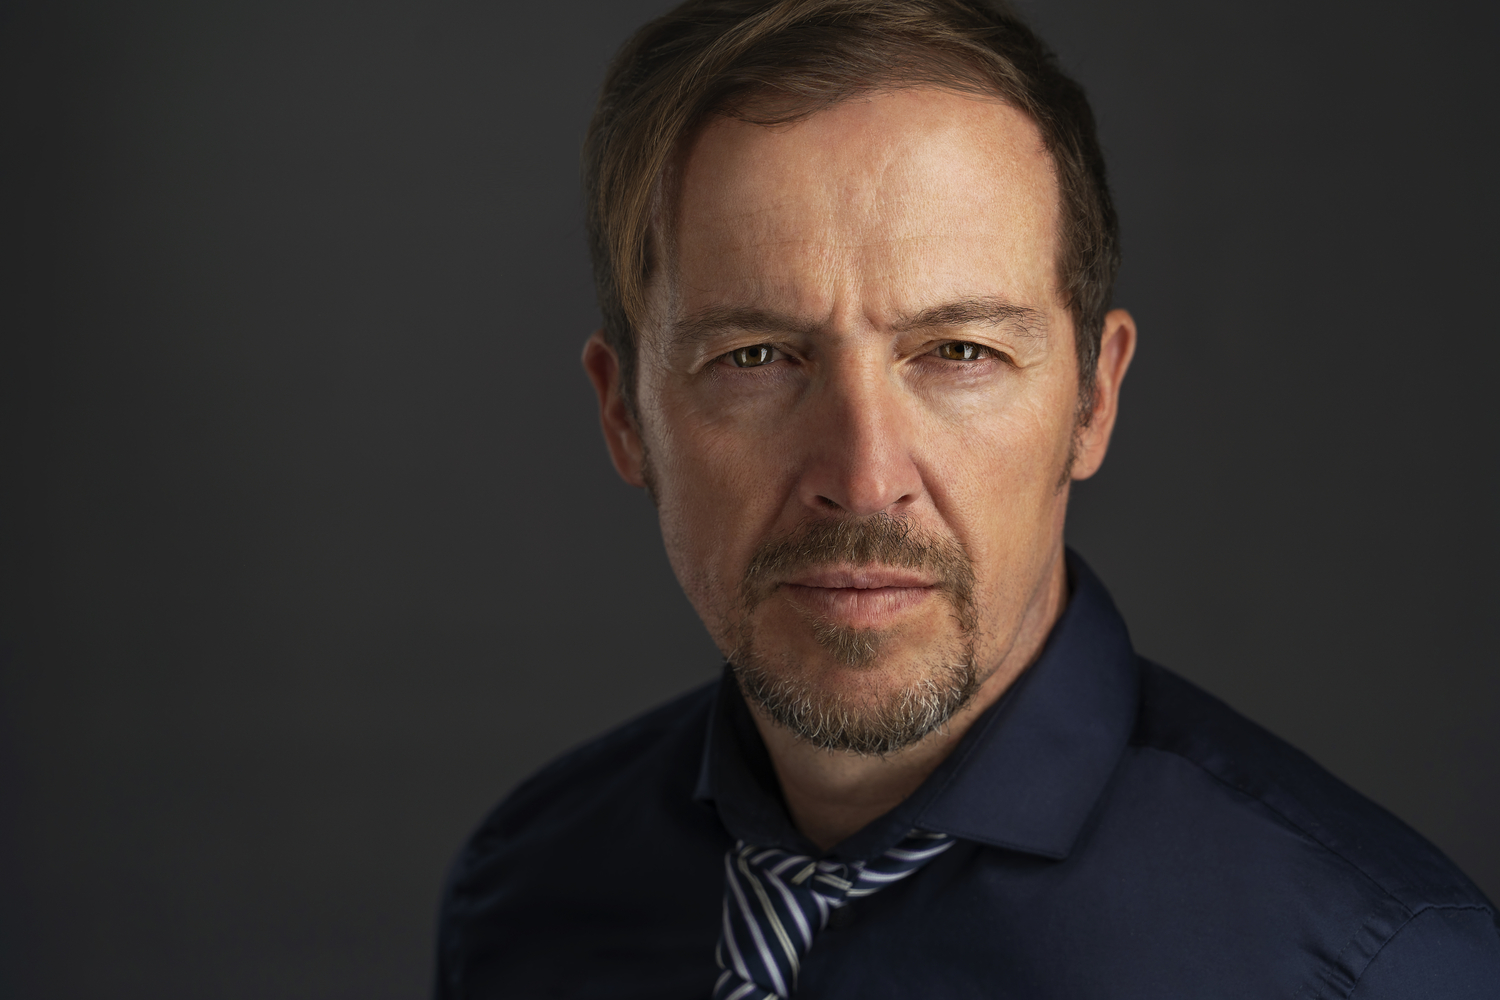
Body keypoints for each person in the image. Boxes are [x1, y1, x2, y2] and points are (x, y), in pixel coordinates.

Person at [434, 1, 1500, 996]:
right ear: (625, 416)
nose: (864, 478)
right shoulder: (526, 899)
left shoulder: (1370, 965)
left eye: (958, 352)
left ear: (1093, 399)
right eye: (756, 356)